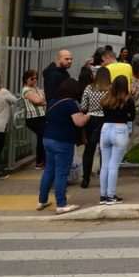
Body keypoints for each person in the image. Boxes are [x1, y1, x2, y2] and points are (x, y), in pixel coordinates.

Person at [38, 79, 88, 214]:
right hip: (62, 142)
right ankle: (61, 204)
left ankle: (42, 200)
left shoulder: (53, 101)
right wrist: (88, 115)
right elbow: (79, 122)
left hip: (47, 139)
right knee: (61, 172)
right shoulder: (70, 104)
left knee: (49, 170)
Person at [99, 75, 135, 205]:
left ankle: (103, 195)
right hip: (120, 128)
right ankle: (111, 195)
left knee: (105, 165)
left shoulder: (106, 99)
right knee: (114, 165)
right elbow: (132, 116)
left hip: (105, 128)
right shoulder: (127, 99)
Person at [79, 67, 111, 189]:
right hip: (106, 120)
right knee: (104, 151)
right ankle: (105, 179)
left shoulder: (89, 88)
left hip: (91, 120)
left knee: (89, 150)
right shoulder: (110, 89)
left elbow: (83, 106)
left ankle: (85, 179)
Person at [21, 70, 47, 169]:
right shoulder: (26, 90)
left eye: (36, 78)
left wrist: (42, 100)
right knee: (43, 136)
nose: (35, 80)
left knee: (42, 138)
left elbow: (43, 98)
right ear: (26, 79)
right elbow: (38, 100)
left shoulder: (35, 89)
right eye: (32, 78)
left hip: (41, 116)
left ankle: (41, 161)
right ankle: (40, 161)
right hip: (33, 117)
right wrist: (43, 101)